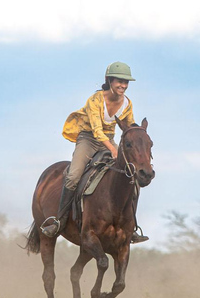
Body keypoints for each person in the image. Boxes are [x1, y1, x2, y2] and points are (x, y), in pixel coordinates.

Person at [40, 61, 149, 243]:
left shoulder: (127, 104)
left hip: (110, 140)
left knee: (132, 178)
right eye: (119, 81)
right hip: (89, 139)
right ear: (109, 80)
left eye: (126, 82)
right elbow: (97, 131)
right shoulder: (95, 100)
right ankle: (59, 220)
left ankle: (132, 228)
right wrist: (113, 149)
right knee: (74, 175)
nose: (123, 85)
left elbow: (128, 126)